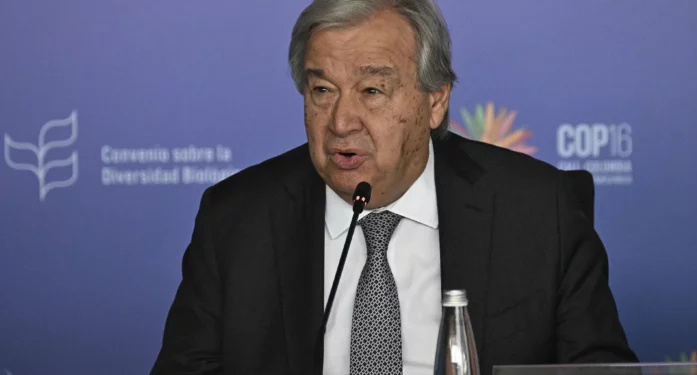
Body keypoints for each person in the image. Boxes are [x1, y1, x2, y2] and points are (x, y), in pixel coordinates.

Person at [150, 0, 639, 374]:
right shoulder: (236, 220)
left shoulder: (536, 210)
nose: (341, 121)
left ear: (435, 102)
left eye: (371, 91)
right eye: (322, 90)